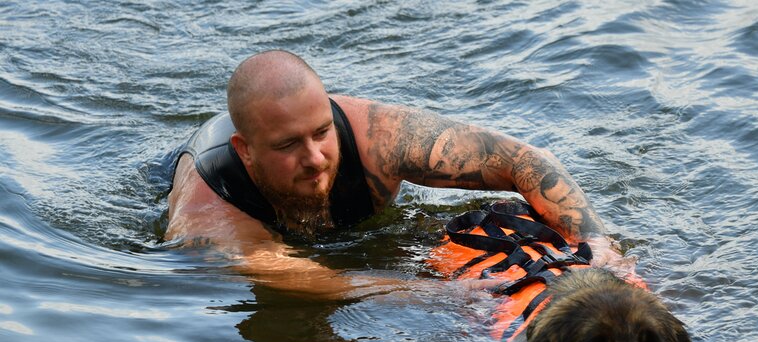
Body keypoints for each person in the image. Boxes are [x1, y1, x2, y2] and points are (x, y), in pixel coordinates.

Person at [166, 50, 626, 296]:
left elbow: (526, 160)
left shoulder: (378, 137)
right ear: (245, 151)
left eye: (321, 132)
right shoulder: (210, 211)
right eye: (288, 145)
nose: (316, 158)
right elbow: (308, 281)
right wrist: (446, 296)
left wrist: (598, 245)